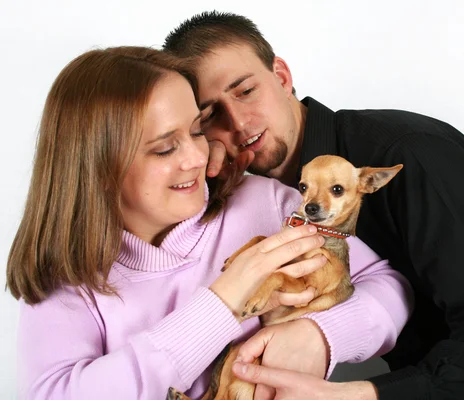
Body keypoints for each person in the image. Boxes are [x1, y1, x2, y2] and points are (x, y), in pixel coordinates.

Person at [162, 11, 464, 400]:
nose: (238, 123)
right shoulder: (264, 196)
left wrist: (355, 395)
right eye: (211, 115)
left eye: (246, 91)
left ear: (281, 75)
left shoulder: (412, 153)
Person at [6, 46, 413, 399]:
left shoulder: (266, 202)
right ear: (97, 167)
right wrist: (224, 300)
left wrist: (321, 336)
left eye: (198, 130)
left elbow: (385, 284)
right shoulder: (67, 276)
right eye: (165, 148)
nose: (198, 158)